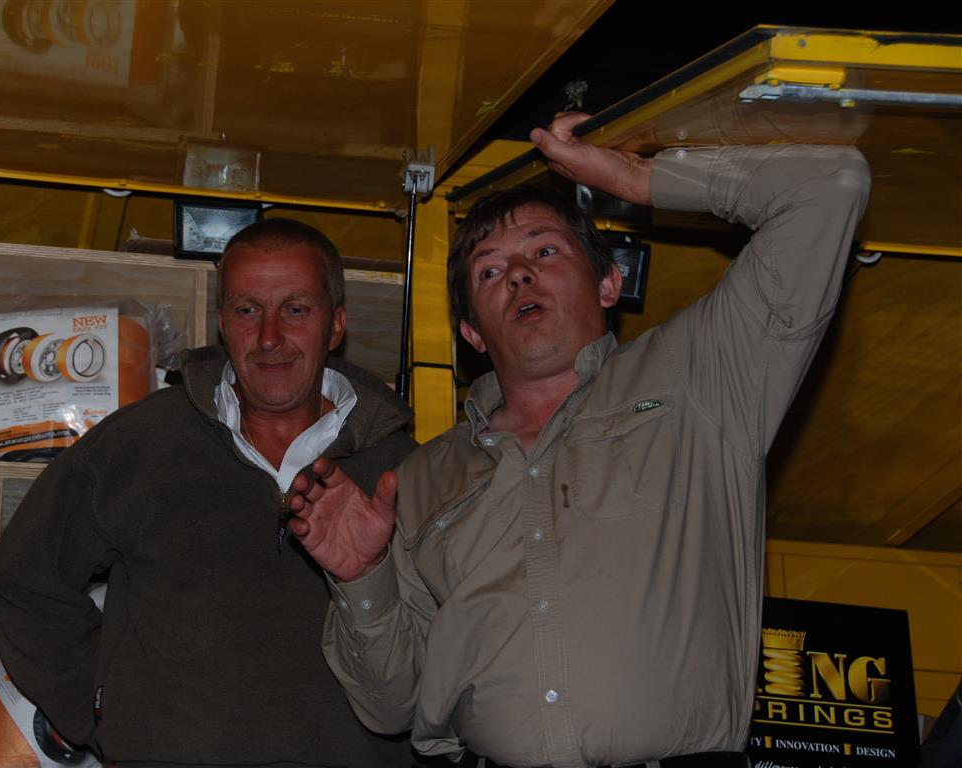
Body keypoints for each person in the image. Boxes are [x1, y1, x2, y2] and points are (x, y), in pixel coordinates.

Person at [284, 113, 872, 768]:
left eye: (545, 252)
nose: (518, 275)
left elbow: (831, 183)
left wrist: (638, 178)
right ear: (471, 333)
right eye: (489, 271)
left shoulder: (702, 375)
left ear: (608, 282)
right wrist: (363, 581)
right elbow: (391, 706)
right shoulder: (422, 479)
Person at [0, 218, 417, 767]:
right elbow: (23, 578)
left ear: (335, 326)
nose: (269, 337)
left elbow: (454, 647)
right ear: (222, 323)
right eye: (247, 310)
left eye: (295, 310)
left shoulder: (403, 471)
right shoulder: (143, 442)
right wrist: (101, 707)